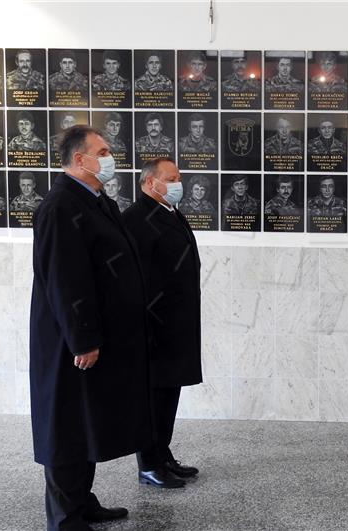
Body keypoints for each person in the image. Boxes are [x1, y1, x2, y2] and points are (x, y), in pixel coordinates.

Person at [30, 124, 151, 530]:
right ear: (78, 159)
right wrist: (83, 337)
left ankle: (83, 500)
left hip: (97, 334)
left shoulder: (96, 199)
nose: (109, 156)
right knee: (65, 428)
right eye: (101, 150)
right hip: (70, 342)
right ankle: (65, 517)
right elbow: (65, 278)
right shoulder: (60, 205)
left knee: (85, 423)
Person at [123, 157, 203, 490]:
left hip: (176, 323)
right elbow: (134, 277)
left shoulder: (168, 212)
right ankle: (149, 464)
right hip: (154, 326)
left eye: (178, 178)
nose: (176, 184)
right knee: (153, 397)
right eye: (170, 178)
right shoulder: (137, 218)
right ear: (149, 183)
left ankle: (163, 453)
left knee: (170, 391)